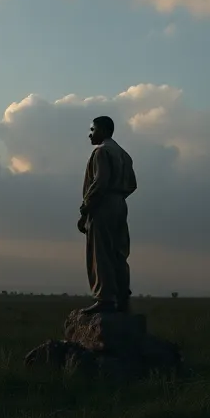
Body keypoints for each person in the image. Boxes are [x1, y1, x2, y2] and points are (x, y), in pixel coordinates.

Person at [78, 115, 138, 313]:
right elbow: (132, 184)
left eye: (92, 129)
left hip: (103, 204)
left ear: (103, 130)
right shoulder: (123, 154)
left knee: (101, 252)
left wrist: (86, 208)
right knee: (118, 253)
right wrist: (118, 197)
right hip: (120, 204)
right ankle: (122, 299)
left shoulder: (102, 152)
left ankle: (105, 298)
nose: (90, 134)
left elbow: (100, 182)